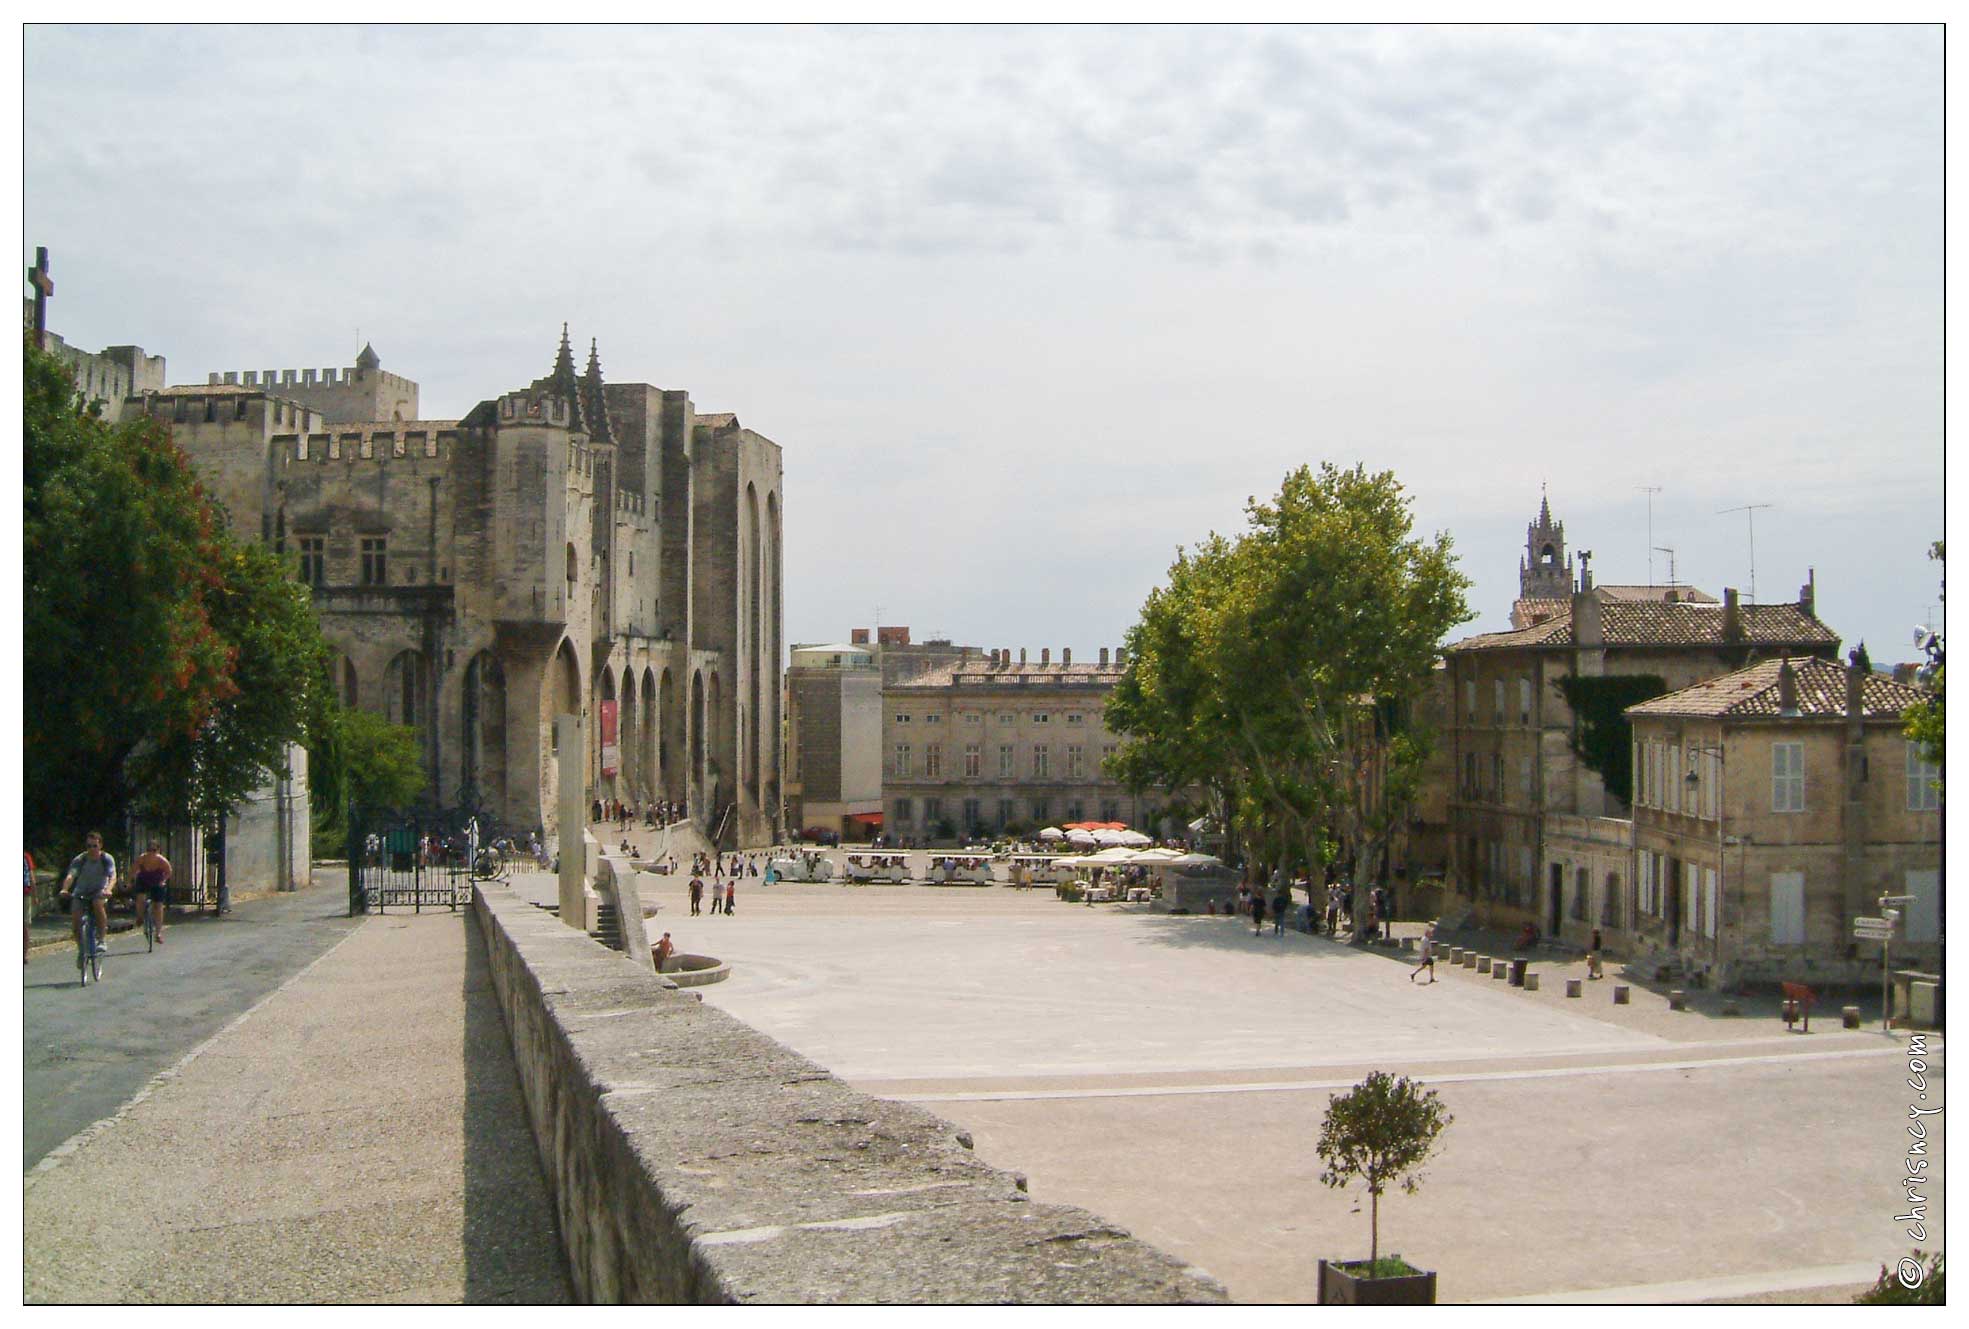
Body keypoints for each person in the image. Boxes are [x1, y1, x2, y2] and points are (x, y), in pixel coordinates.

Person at [60, 831, 116, 961]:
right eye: (89, 846)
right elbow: (71, 876)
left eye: (94, 846)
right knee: (75, 922)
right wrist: (64, 889)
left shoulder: (106, 859)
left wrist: (108, 889)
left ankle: (101, 939)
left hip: (99, 890)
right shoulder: (81, 859)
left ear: (100, 845)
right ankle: (81, 950)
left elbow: (112, 876)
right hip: (81, 892)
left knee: (98, 904)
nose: (91, 849)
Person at [133, 841, 172, 944]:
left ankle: (158, 933)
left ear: (158, 851)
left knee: (158, 905)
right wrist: (129, 882)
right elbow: (133, 870)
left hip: (157, 882)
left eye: (154, 850)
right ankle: (140, 917)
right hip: (143, 881)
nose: (151, 853)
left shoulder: (162, 861)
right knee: (140, 898)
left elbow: (168, 872)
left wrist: (163, 881)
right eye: (149, 850)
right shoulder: (142, 859)